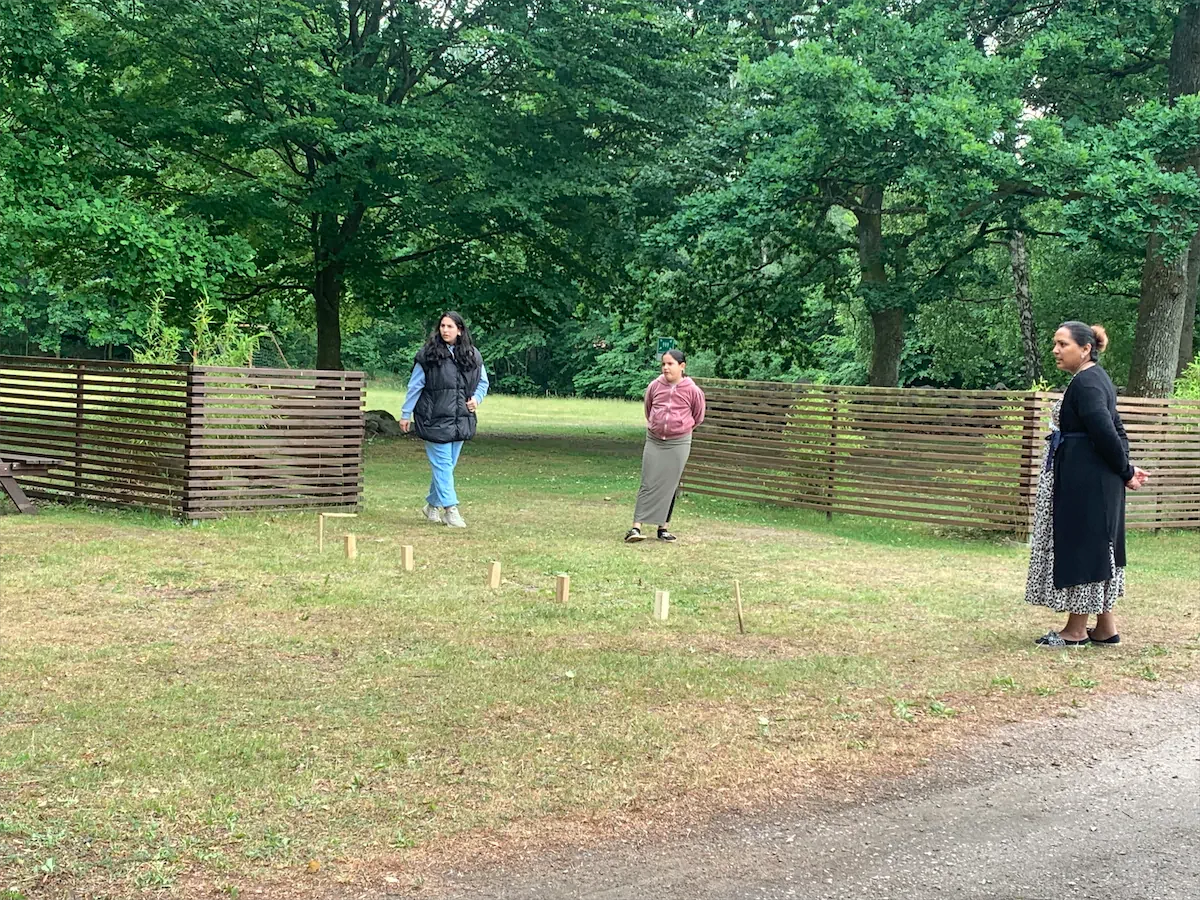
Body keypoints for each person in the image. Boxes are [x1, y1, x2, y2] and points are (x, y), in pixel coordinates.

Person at [1024, 322, 1148, 647]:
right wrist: (1127, 468)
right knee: (1098, 549)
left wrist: (1124, 470)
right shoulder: (1095, 379)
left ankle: (1076, 630)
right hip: (1094, 478)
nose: (1055, 350)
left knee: (1083, 547)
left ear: (1085, 349)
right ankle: (1106, 628)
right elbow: (1115, 428)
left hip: (1087, 482)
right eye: (1055, 343)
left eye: (1062, 344)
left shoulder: (1087, 383)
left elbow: (1106, 432)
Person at [400, 312, 489, 529]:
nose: (445, 330)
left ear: (460, 330)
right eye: (442, 326)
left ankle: (432, 506)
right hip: (433, 418)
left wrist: (476, 400)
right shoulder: (428, 356)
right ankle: (451, 510)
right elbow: (415, 386)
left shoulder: (472, 355)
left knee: (446, 467)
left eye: (450, 326)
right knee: (442, 465)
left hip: (461, 419)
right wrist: (405, 414)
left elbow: (483, 382)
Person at [625, 349, 706, 543]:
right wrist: (657, 425)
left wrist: (679, 428)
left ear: (682, 366)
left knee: (670, 484)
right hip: (654, 440)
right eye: (663, 364)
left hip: (678, 442)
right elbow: (648, 408)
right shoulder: (655, 385)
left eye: (670, 364)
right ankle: (636, 527)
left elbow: (698, 416)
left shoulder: (692, 390)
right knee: (648, 480)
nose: (665, 368)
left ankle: (663, 528)